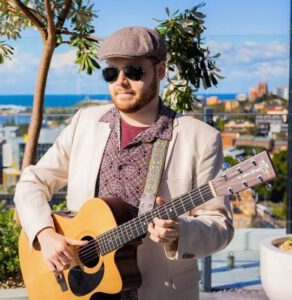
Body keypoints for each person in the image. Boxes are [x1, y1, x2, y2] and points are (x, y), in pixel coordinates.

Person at [14, 26, 234, 300]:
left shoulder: (201, 138)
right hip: (82, 288)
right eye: (111, 72)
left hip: (160, 291)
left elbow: (220, 226)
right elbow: (32, 181)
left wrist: (180, 231)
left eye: (133, 71)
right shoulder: (85, 123)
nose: (121, 81)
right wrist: (45, 234)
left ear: (161, 70)